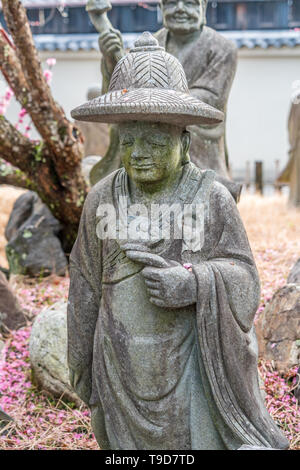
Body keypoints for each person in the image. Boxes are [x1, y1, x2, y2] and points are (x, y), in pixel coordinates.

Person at [67, 33, 289, 450]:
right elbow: (84, 285)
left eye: (155, 140)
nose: (139, 153)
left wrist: (194, 283)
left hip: (192, 369)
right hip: (119, 367)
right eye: (129, 141)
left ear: (184, 143)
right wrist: (80, 359)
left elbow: (245, 280)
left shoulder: (211, 197)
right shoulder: (102, 199)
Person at [91, 0, 240, 200]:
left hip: (196, 137)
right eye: (171, 3)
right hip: (146, 130)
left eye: (189, 3)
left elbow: (210, 100)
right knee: (131, 131)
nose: (179, 8)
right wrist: (111, 59)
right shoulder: (152, 43)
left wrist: (150, 101)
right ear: (161, 8)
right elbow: (124, 91)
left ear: (203, 8)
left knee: (213, 196)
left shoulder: (222, 48)